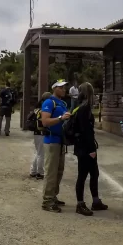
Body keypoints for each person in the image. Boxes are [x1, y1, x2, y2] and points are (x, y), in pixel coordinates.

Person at [72, 82, 108, 215]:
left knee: (94, 173)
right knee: (82, 175)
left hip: (83, 146)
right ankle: (80, 204)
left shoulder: (80, 106)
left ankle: (96, 200)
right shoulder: (84, 109)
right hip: (85, 147)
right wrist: (91, 150)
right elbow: (85, 131)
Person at [40, 80, 72, 212]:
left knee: (59, 171)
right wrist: (60, 118)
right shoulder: (49, 102)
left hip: (61, 141)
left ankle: (53, 196)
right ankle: (47, 201)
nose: (64, 89)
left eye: (65, 87)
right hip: (52, 140)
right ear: (55, 89)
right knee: (51, 172)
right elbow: (45, 121)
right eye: (62, 87)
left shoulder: (63, 103)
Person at [29, 92, 52, 179]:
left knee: (38, 153)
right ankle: (40, 172)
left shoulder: (37, 109)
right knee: (41, 154)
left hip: (36, 133)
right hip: (42, 133)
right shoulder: (44, 109)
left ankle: (33, 171)